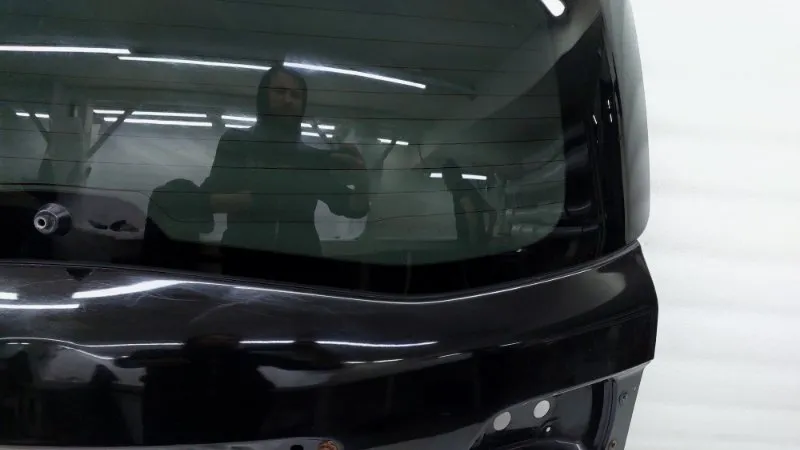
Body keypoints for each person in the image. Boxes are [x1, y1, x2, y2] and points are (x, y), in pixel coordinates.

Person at [201, 66, 369, 277]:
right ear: (263, 96)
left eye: (296, 95)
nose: (288, 100)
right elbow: (207, 200)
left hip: (300, 267)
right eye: (280, 91)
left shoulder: (309, 158)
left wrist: (362, 181)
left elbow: (353, 208)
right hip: (244, 263)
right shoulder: (237, 143)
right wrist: (259, 195)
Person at [441, 159, 495, 250]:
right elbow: (493, 212)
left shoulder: (460, 191)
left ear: (452, 177)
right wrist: (489, 233)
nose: (445, 183)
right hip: (480, 245)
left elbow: (471, 215)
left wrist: (472, 241)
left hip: (469, 246)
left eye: (445, 178)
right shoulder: (471, 190)